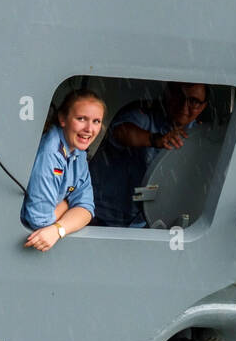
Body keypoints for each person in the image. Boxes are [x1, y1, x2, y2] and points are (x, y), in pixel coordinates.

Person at [89, 82, 209, 227]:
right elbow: (122, 132)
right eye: (179, 96)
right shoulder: (143, 113)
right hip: (99, 216)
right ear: (168, 94)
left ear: (203, 106)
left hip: (145, 224)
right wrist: (156, 139)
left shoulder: (200, 135)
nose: (184, 106)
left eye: (194, 101)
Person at [20, 89, 106, 252]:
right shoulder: (51, 152)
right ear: (62, 119)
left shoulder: (78, 151)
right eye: (81, 119)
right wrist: (68, 203)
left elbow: (87, 207)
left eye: (96, 121)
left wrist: (59, 229)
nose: (89, 129)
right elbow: (40, 222)